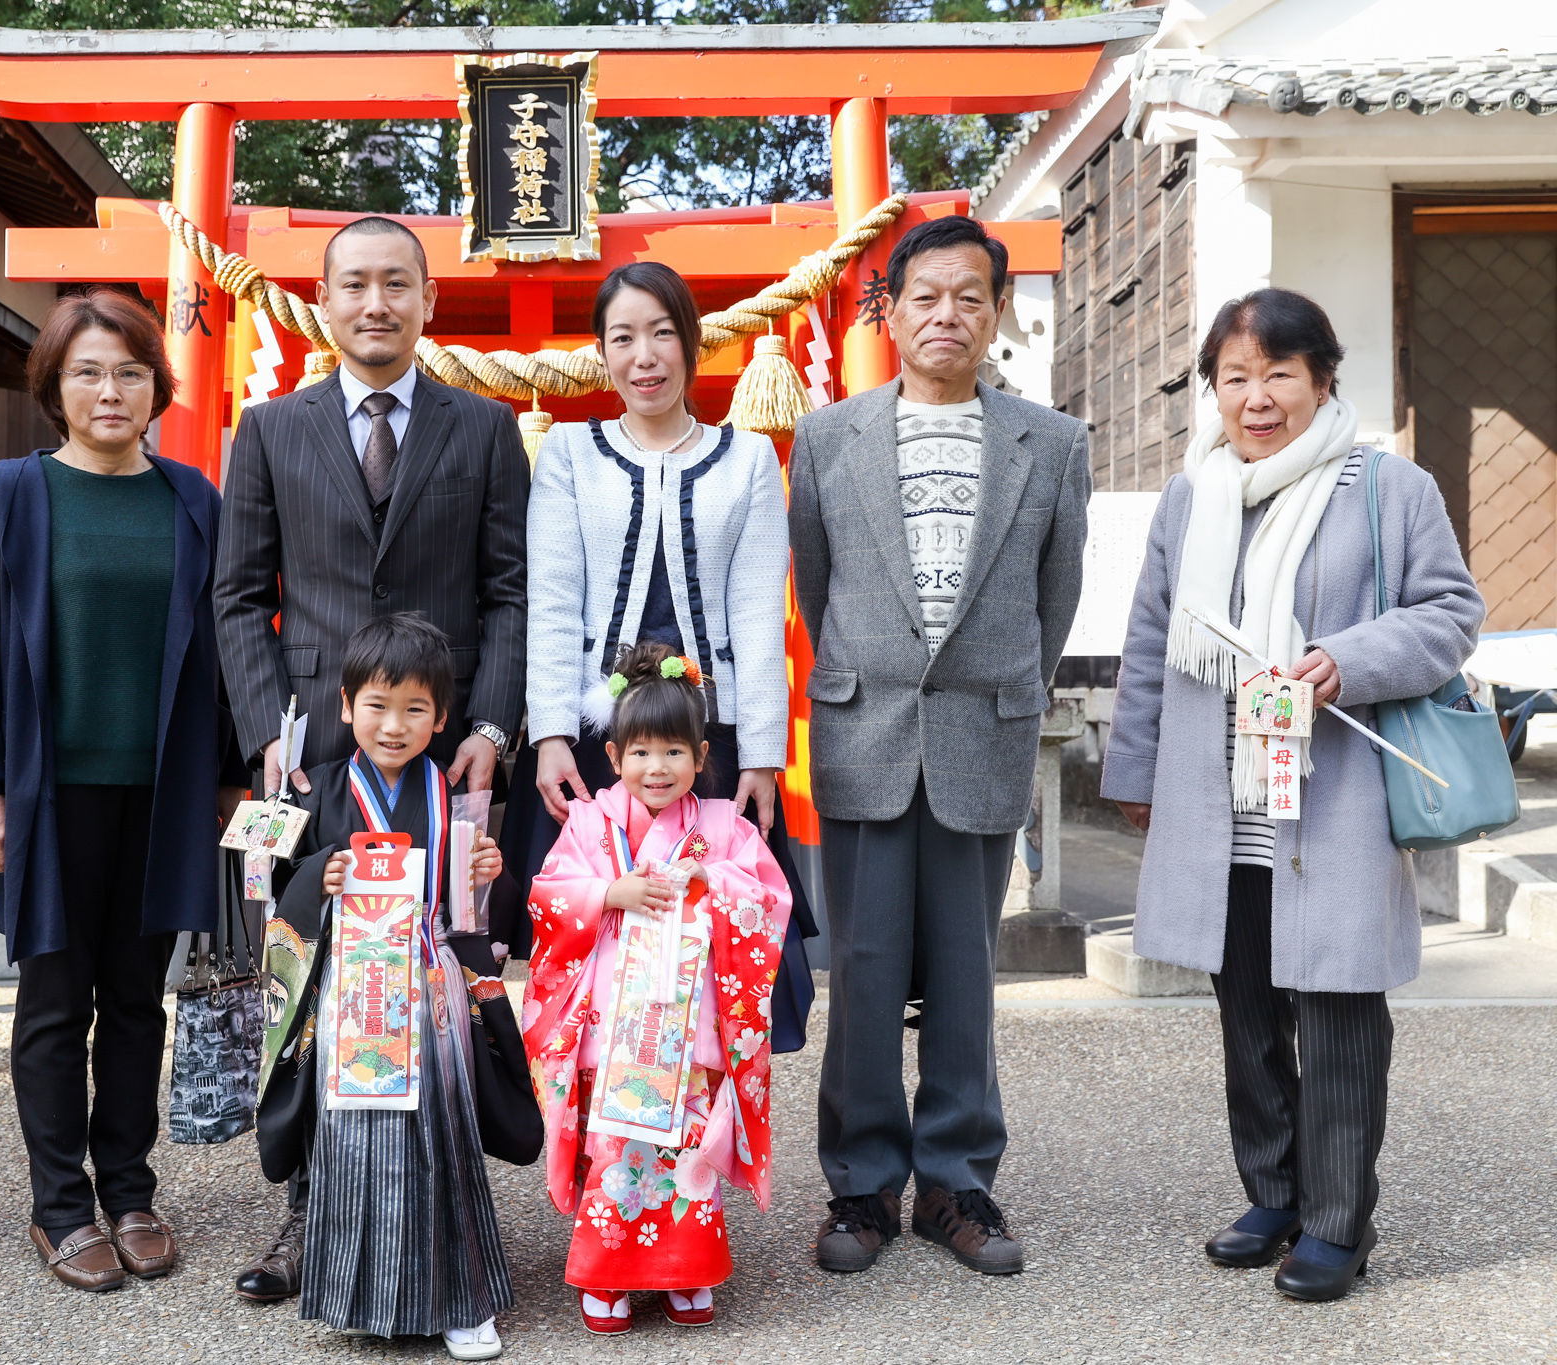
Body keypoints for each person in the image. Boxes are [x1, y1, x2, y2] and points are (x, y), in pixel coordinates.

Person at [1101, 290, 1481, 1302]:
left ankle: (1334, 1223)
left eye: (1277, 373)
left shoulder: (1385, 488)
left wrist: (1339, 659)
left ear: (1321, 379)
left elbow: (1448, 615)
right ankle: (1271, 1194)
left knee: (1340, 1017)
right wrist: (1134, 776)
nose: (1255, 396)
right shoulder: (1192, 498)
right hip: (1217, 802)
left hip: (1331, 799)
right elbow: (1150, 642)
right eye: (1234, 376)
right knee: (1246, 1017)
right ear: (1212, 390)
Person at [215, 215, 530, 1301]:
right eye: (354, 284)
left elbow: (505, 590)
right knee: (312, 984)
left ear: (428, 298)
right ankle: (306, 1213)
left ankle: (433, 1200)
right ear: (324, 297)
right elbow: (238, 593)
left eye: (396, 282)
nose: (375, 303)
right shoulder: (267, 430)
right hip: (315, 760)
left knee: (433, 977)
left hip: (439, 757)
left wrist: (488, 727)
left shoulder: (482, 431)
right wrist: (270, 732)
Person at [786, 213, 1089, 1277]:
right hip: (866, 726)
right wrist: (874, 676)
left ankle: (956, 1184)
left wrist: (991, 684)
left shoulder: (1049, 443)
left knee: (965, 970)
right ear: (891, 309)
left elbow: (1055, 602)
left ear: (995, 310)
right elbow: (816, 589)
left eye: (968, 296)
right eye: (923, 295)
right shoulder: (828, 437)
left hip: (981, 730)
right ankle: (862, 1187)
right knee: (862, 970)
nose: (945, 315)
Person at [0, 288, 248, 1293]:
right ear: (54, 388)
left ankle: (129, 1189)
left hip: (161, 796)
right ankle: (59, 1206)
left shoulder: (193, 499)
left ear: (157, 385)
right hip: (47, 795)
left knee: (137, 1000)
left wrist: (233, 777)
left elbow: (227, 645)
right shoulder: (12, 496)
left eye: (127, 371)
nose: (109, 391)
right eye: (87, 372)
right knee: (55, 1001)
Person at [500, 260, 817, 1049]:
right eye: (623, 338)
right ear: (602, 354)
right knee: (599, 955)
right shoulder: (570, 453)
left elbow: (755, 612)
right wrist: (546, 735)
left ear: (692, 344)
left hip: (712, 745)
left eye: (662, 334)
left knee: (711, 948)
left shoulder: (744, 460)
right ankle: (607, 1149)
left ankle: (692, 1141)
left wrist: (764, 757)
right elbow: (552, 597)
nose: (644, 356)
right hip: (593, 740)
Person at [261, 613, 512, 1360]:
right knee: (355, 1144)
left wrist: (484, 875)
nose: (393, 725)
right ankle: (361, 1291)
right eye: (376, 705)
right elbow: (276, 893)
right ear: (344, 706)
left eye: (414, 709)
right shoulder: (323, 790)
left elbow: (470, 917)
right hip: (354, 993)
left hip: (430, 992)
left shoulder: (453, 798)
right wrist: (319, 875)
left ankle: (461, 1297)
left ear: (441, 716)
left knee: (442, 1142)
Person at [523, 642, 792, 1335]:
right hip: (613, 1025)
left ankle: (685, 1272)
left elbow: (766, 896)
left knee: (685, 1149)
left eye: (675, 752)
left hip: (686, 1021)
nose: (657, 767)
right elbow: (549, 897)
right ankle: (606, 1275)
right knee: (612, 1150)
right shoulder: (590, 823)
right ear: (612, 757)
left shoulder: (721, 827)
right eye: (641, 752)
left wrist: (712, 886)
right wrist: (609, 891)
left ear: (701, 757)